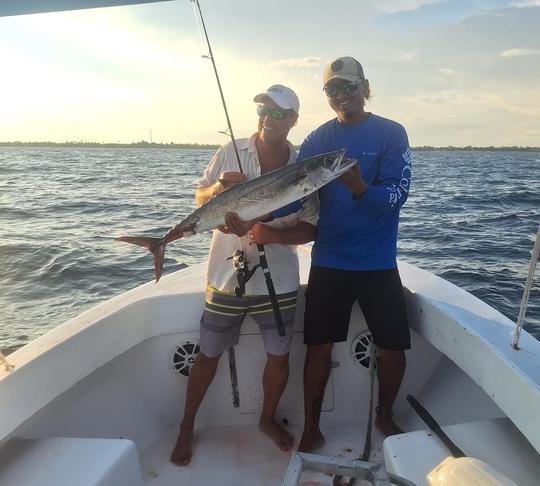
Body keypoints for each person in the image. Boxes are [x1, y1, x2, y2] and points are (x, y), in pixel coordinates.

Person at [170, 85, 318, 466]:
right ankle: (186, 425)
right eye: (263, 110)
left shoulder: (304, 168)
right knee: (207, 354)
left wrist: (272, 234)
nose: (267, 118)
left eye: (278, 113)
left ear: (293, 120)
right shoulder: (230, 152)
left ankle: (266, 420)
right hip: (225, 275)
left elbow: (312, 228)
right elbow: (200, 201)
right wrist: (219, 190)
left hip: (279, 279)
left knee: (279, 358)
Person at [297, 56, 412, 452]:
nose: (342, 94)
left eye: (349, 86)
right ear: (326, 95)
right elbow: (292, 194)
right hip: (329, 260)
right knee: (318, 347)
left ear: (365, 86)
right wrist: (245, 209)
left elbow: (396, 198)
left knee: (392, 345)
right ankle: (311, 427)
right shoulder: (316, 141)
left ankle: (384, 415)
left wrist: (359, 186)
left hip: (378, 262)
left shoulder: (392, 134)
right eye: (333, 89)